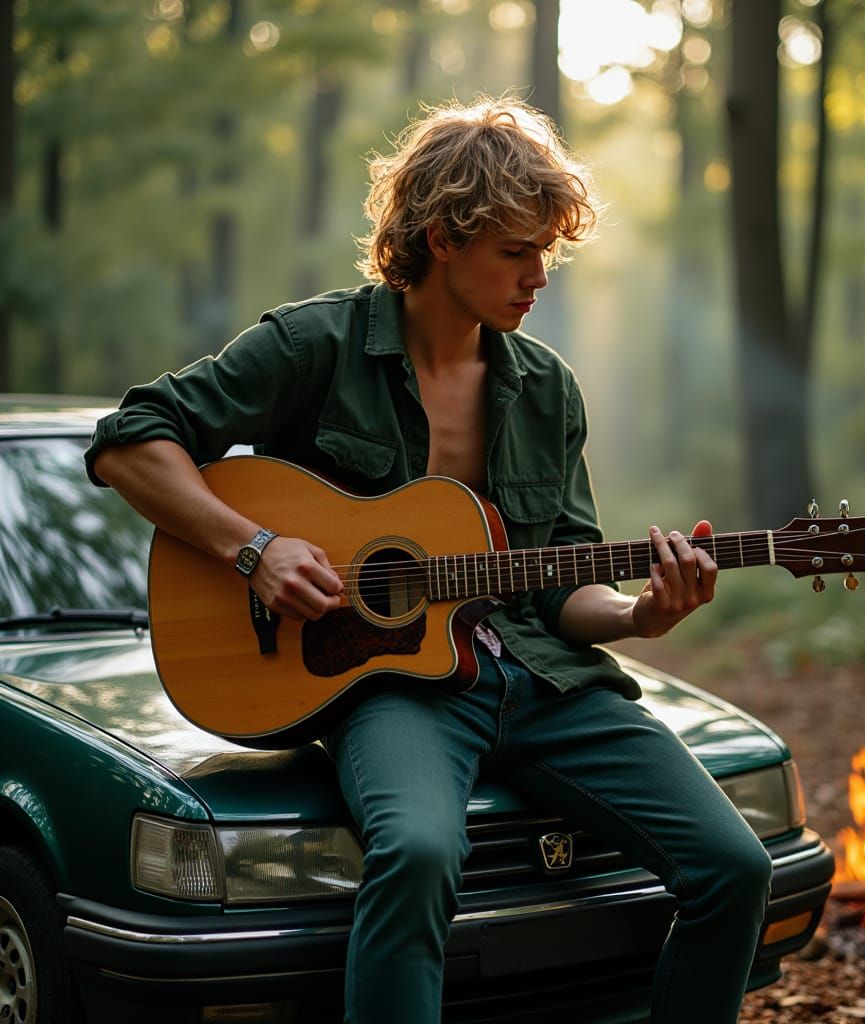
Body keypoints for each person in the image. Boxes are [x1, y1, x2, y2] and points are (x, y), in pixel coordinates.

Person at [86, 95, 771, 1024]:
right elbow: (132, 441)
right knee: (414, 854)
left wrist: (642, 615)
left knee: (735, 867)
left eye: (547, 253)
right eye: (516, 252)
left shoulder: (545, 389)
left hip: (538, 675)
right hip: (389, 684)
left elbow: (566, 584)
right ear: (445, 237)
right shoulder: (314, 346)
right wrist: (254, 549)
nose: (539, 277)